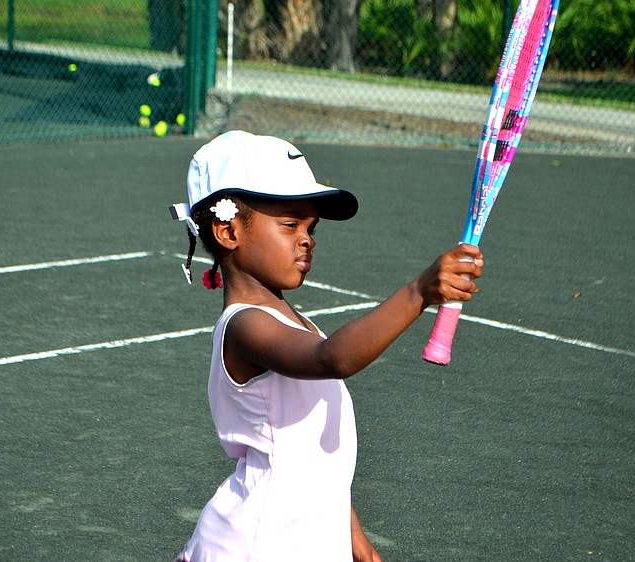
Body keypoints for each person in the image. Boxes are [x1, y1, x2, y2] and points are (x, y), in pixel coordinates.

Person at [170, 131, 483, 562]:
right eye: (290, 223)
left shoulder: (290, 320)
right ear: (227, 231)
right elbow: (333, 358)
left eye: (311, 228)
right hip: (256, 546)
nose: (307, 239)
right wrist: (418, 293)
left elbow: (312, 454)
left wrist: (349, 530)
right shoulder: (245, 326)